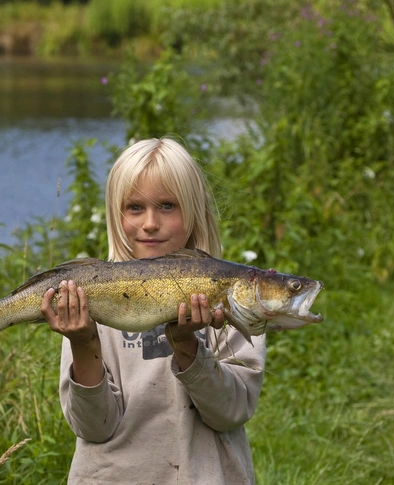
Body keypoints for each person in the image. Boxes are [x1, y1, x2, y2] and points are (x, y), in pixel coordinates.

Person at [40, 137, 267, 484]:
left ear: (194, 212)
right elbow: (93, 428)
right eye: (134, 208)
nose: (149, 223)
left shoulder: (231, 297)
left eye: (166, 206)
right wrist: (83, 343)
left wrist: (188, 346)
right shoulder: (93, 300)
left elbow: (230, 413)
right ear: (117, 215)